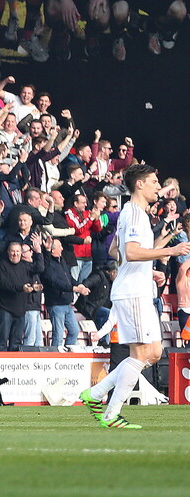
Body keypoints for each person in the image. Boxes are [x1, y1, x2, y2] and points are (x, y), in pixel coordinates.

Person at [80, 164, 190, 429]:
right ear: (139, 184)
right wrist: (173, 252)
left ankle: (94, 395)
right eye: (154, 181)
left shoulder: (133, 213)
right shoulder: (135, 214)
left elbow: (117, 249)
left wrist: (161, 244)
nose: (157, 186)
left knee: (153, 352)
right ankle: (109, 413)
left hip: (137, 289)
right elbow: (130, 253)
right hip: (132, 292)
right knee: (140, 354)